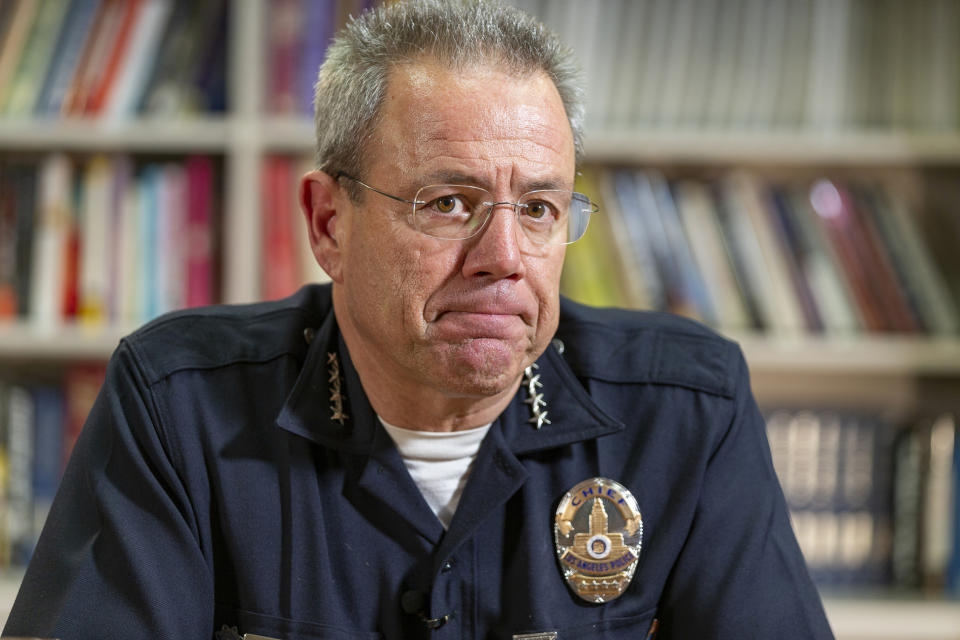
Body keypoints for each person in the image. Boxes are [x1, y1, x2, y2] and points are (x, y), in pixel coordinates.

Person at [4, 1, 834, 638]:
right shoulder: (177, 405)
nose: (504, 255)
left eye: (539, 208)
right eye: (449, 202)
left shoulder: (687, 411)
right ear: (330, 223)